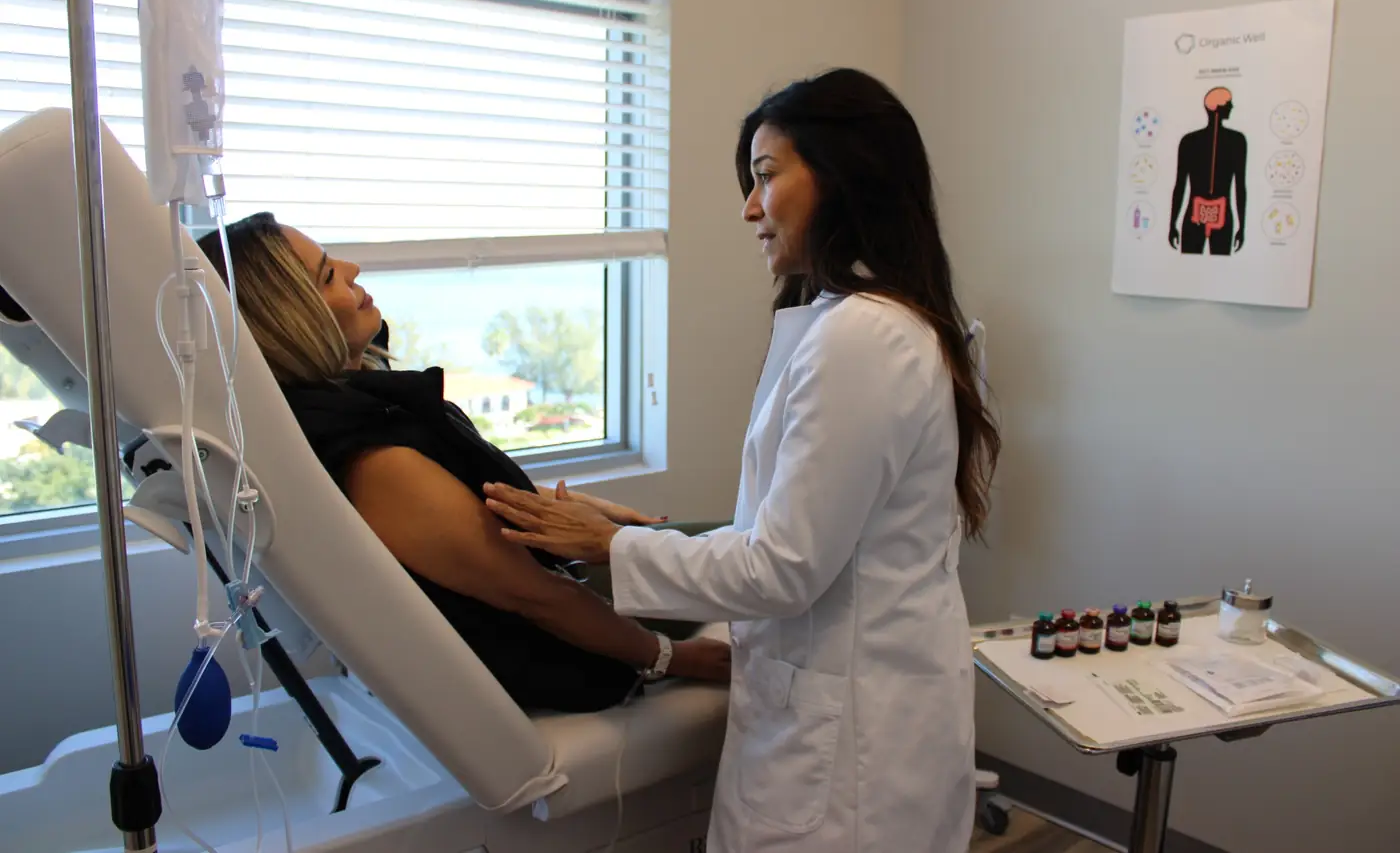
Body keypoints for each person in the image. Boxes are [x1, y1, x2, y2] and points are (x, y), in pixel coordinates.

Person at [482, 68, 1001, 853]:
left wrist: (607, 546)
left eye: (766, 176)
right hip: (861, 705)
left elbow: (784, 566)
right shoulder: (868, 321)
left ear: (843, 175)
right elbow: (801, 523)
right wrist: (630, 532)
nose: (749, 207)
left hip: (849, 754)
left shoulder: (861, 335)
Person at [195, 213, 730, 713]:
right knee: (743, 557)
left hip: (562, 580)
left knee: (728, 543)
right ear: (292, 319)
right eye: (330, 274)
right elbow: (537, 596)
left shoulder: (350, 405)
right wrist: (674, 658)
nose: (355, 271)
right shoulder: (376, 462)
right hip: (569, 646)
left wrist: (574, 514)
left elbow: (460, 503)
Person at [1169, 86, 1248, 255]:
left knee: (1220, 269)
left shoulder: (1237, 141)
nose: (1232, 107)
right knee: (1189, 267)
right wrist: (1172, 223)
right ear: (1216, 107)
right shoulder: (1189, 141)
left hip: (1222, 214)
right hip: (1195, 216)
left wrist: (1242, 226)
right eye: (1228, 103)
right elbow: (1180, 185)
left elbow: (1240, 186)